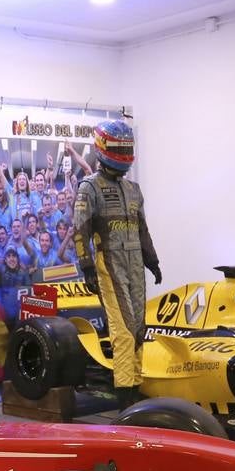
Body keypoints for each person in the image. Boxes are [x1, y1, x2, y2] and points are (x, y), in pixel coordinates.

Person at [72, 119, 161, 407]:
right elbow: (80, 230)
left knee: (138, 329)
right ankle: (125, 399)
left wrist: (152, 261)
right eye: (118, 146)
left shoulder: (134, 189)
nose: (123, 151)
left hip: (135, 265)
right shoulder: (89, 188)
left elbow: (142, 229)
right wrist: (86, 267)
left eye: (126, 146)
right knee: (122, 330)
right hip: (109, 264)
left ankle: (135, 389)